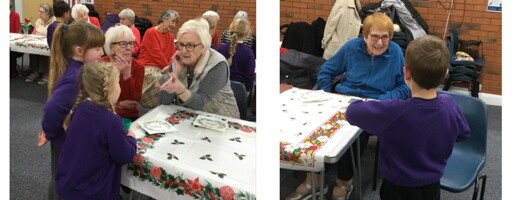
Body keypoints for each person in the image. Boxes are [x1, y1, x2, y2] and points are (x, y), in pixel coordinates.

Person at [286, 12, 410, 200]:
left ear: (390, 37)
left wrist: (383, 99)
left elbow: (404, 87)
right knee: (317, 127)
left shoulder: (396, 54)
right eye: (374, 37)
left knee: (354, 134)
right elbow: (326, 71)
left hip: (375, 105)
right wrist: (328, 96)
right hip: (346, 99)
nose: (379, 43)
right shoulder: (352, 47)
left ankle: (344, 181)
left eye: (385, 37)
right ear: (365, 35)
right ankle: (314, 180)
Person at [346, 35, 470, 200]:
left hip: (396, 188)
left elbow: (352, 112)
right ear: (445, 73)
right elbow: (463, 134)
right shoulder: (449, 104)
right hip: (431, 186)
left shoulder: (393, 110)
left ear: (406, 73)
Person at [39, 21, 105, 200]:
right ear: (79, 50)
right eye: (98, 48)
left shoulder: (78, 70)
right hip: (66, 142)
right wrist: (61, 138)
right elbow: (52, 112)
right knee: (62, 180)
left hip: (70, 137)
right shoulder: (75, 77)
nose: (102, 53)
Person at [55, 61, 137, 199]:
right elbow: (122, 155)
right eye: (118, 83)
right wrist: (131, 139)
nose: (119, 86)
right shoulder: (111, 120)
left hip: (68, 184)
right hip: (92, 192)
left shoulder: (80, 108)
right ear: (108, 89)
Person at [158, 18, 240, 118]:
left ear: (203, 47)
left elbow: (200, 103)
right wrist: (175, 73)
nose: (184, 50)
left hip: (220, 119)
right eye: (181, 44)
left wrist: (180, 90)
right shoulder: (178, 59)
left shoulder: (218, 64)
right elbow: (164, 101)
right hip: (190, 118)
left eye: (190, 45)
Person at [100, 25, 144, 121]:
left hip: (129, 117)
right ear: (111, 47)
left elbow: (134, 101)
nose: (129, 48)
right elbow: (96, 98)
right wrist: (119, 105)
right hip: (105, 113)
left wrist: (127, 75)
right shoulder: (101, 64)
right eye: (123, 44)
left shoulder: (138, 67)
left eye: (131, 43)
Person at [138, 9, 179, 109]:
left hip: (164, 66)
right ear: (164, 19)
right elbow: (157, 55)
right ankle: (153, 106)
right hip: (148, 66)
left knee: (178, 79)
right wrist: (169, 69)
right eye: (173, 21)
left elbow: (172, 55)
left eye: (175, 23)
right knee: (160, 80)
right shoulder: (151, 32)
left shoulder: (170, 37)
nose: (174, 25)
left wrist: (172, 68)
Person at [216, 18, 256, 93]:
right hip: (239, 91)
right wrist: (247, 90)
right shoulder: (248, 52)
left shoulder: (220, 48)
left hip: (220, 89)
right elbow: (249, 75)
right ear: (247, 33)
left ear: (230, 30)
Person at [26, 3, 56, 85]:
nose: (39, 13)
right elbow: (34, 33)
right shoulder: (38, 21)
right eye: (39, 11)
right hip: (38, 42)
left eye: (41, 12)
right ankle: (35, 71)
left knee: (44, 52)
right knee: (31, 47)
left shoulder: (54, 21)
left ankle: (46, 73)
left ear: (48, 13)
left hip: (49, 44)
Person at [10, 1, 21, 78]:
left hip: (12, 41)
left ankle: (12, 71)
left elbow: (17, 31)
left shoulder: (15, 15)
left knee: (10, 50)